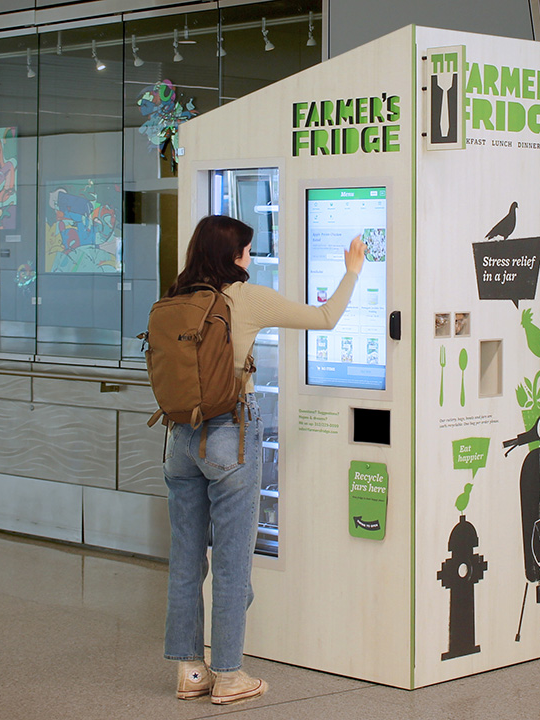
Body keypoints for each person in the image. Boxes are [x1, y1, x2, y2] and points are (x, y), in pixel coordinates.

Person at [162, 215, 364, 704]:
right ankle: (229, 676)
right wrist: (353, 270)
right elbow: (324, 319)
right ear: (233, 256)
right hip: (229, 433)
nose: (251, 259)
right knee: (232, 564)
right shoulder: (244, 297)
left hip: (178, 438)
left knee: (186, 560)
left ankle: (191, 671)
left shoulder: (175, 296)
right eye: (248, 252)